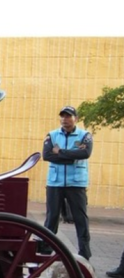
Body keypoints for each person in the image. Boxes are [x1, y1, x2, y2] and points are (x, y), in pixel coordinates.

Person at [41, 106, 92, 259]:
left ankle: (85, 253)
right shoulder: (52, 135)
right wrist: (71, 157)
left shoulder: (85, 135)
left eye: (68, 116)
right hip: (55, 183)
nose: (65, 119)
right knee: (51, 218)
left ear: (75, 118)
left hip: (76, 183)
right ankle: (45, 251)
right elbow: (47, 155)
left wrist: (61, 152)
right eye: (62, 116)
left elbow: (85, 153)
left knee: (80, 218)